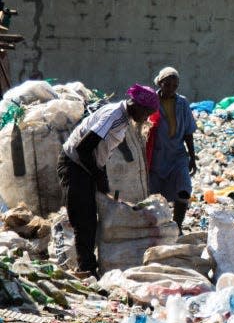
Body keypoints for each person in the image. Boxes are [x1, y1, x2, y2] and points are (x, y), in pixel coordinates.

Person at [57, 85, 159, 277]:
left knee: (90, 220)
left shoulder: (124, 118)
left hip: (85, 166)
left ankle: (88, 266)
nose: (146, 118)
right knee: (83, 220)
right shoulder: (114, 116)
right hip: (74, 164)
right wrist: (98, 176)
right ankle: (86, 270)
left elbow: (98, 150)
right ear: (136, 104)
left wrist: (100, 174)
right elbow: (83, 148)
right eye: (146, 113)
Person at [147, 66, 197, 232]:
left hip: (177, 155)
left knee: (183, 188)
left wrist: (192, 157)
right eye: (167, 85)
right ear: (160, 83)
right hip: (156, 155)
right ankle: (154, 228)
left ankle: (178, 226)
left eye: (175, 86)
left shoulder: (182, 103)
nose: (171, 89)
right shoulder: (151, 101)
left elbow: (188, 132)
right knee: (152, 195)